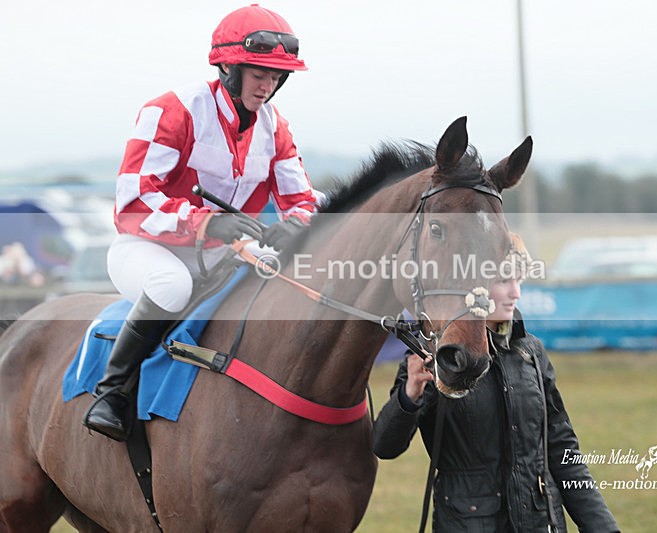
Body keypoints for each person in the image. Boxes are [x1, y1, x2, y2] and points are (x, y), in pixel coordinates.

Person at [84, 4, 319, 441]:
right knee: (172, 286)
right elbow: (133, 202)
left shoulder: (276, 128)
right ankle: (111, 392)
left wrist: (296, 225)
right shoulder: (172, 110)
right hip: (149, 249)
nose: (268, 86)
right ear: (229, 66)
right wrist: (205, 223)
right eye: (259, 74)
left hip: (220, 256)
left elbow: (303, 198)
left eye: (276, 77)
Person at [372, 234, 619, 532]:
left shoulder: (532, 352)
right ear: (471, 285)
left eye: (519, 280)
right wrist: (408, 396)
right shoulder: (432, 356)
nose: (516, 293)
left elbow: (563, 450)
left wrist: (604, 528)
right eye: (504, 280)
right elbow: (385, 445)